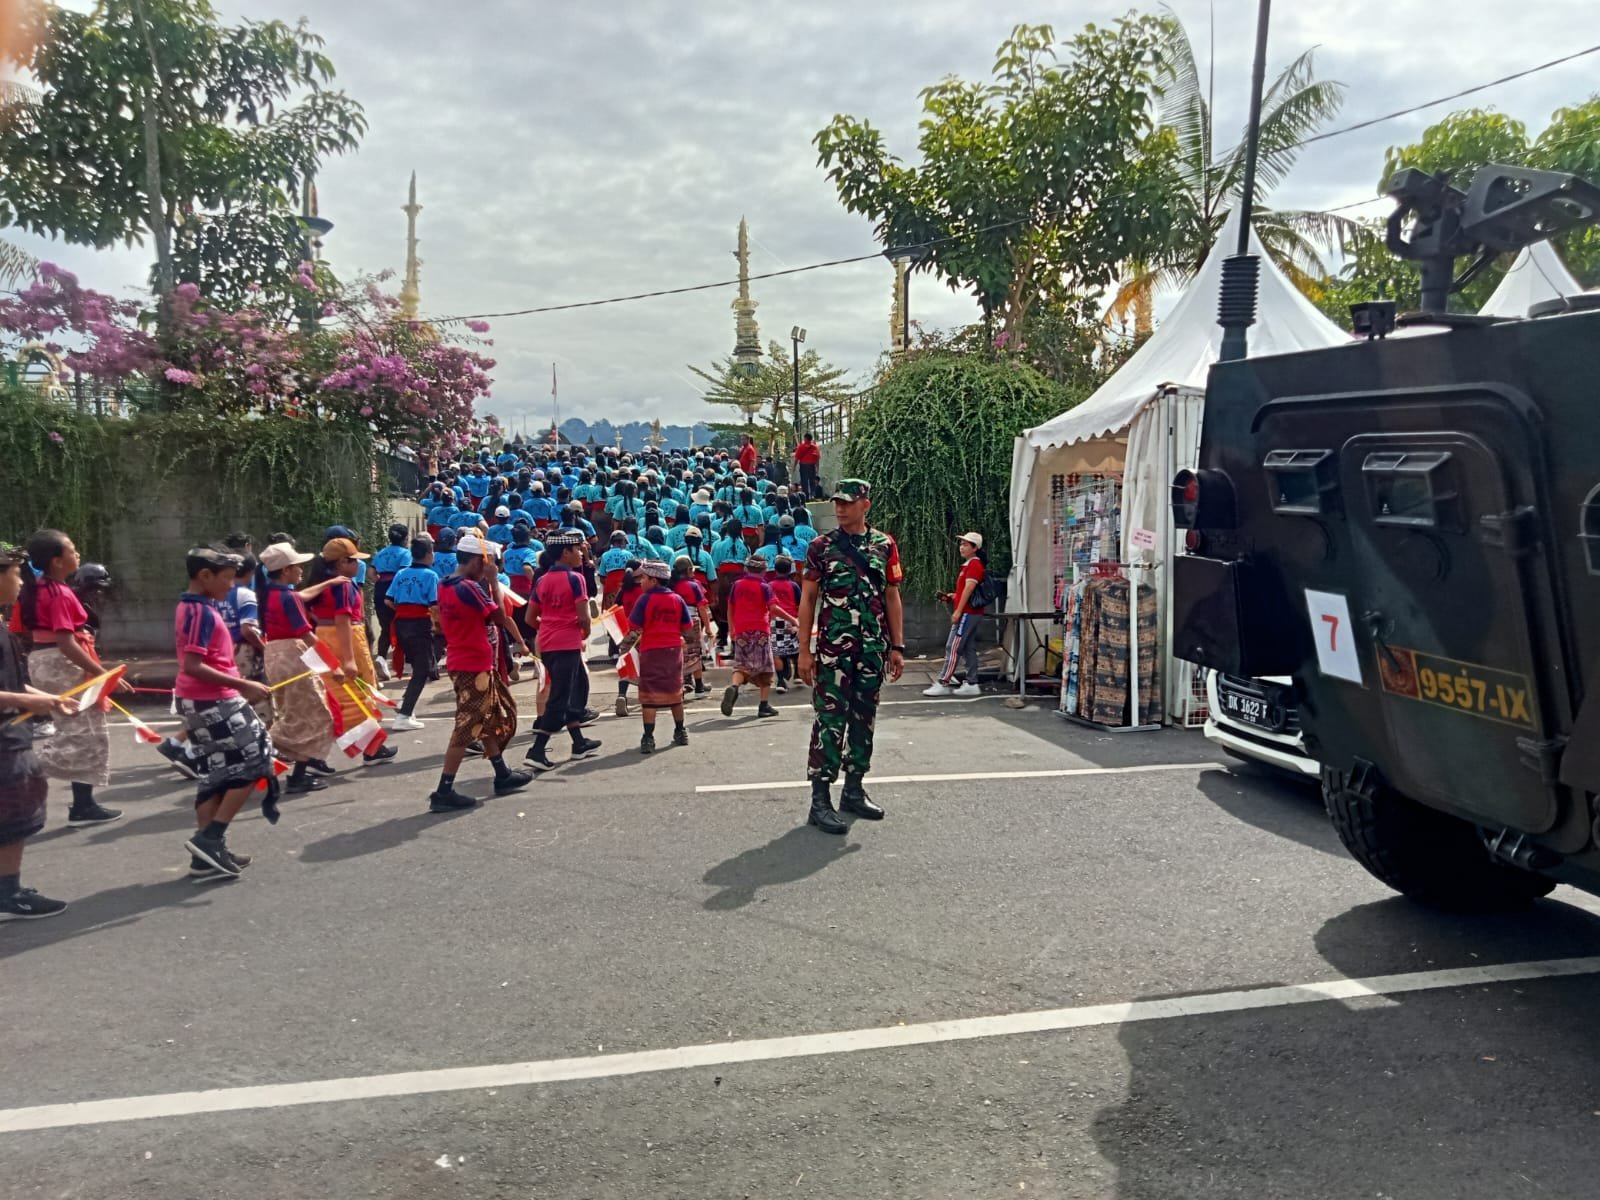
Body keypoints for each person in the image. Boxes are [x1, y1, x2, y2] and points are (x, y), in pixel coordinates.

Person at [798, 479, 905, 834]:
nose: (840, 508)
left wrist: (897, 646)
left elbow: (892, 596)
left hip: (872, 650)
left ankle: (854, 790)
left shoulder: (884, 545)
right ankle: (820, 800)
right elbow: (808, 600)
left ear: (865, 505)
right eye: (837, 502)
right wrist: (804, 651)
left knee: (864, 719)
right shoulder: (820, 547)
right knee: (829, 721)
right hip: (833, 652)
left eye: (847, 502)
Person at [175, 546, 277, 880]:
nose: (231, 586)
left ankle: (206, 855)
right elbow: (193, 665)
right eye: (227, 578)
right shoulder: (199, 612)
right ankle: (211, 837)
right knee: (257, 757)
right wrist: (242, 684)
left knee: (216, 770)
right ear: (205, 576)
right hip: (213, 700)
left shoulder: (197, 606)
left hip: (205, 699)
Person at [17, 530, 121, 826]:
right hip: (61, 663)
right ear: (57, 561)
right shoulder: (59, 593)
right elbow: (66, 641)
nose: (77, 554)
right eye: (72, 550)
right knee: (82, 734)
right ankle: (23, 770)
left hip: (43, 660)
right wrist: (102, 673)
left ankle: (83, 805)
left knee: (79, 731)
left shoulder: (37, 589)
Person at [0, 542, 79, 919]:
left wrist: (46, 698)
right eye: (15, 574)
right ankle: (8, 892)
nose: (20, 582)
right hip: (4, 739)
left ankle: (7, 888)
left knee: (16, 815)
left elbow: (11, 683)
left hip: (11, 735)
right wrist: (27, 701)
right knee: (13, 817)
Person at [429, 535, 533, 812]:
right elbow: (499, 616)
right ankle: (443, 790)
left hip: (463, 659)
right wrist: (494, 582)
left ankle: (502, 773)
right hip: (473, 663)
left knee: (487, 718)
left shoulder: (445, 583)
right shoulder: (470, 587)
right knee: (466, 727)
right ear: (478, 562)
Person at [306, 537, 397, 764]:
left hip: (323, 637)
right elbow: (343, 621)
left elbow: (310, 612)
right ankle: (370, 750)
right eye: (354, 560)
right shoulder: (343, 585)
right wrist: (349, 659)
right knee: (356, 696)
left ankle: (369, 748)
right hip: (346, 640)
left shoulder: (320, 583)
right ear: (341, 562)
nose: (358, 564)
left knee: (334, 698)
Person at [258, 542, 335, 794]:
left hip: (275, 655)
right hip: (293, 656)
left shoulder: (268, 594)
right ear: (286, 570)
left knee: (295, 714)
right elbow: (306, 635)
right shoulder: (289, 597)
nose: (301, 570)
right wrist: (333, 664)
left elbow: (302, 597)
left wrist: (328, 583)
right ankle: (270, 754)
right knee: (314, 714)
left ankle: (301, 768)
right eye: (297, 566)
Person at [523, 531, 603, 771]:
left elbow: (530, 618)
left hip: (548, 643)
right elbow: (584, 617)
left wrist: (550, 625)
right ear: (566, 552)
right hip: (567, 643)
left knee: (574, 690)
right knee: (560, 696)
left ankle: (578, 743)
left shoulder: (542, 580)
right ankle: (537, 750)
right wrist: (582, 633)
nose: (581, 553)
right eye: (577, 549)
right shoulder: (575, 578)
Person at [619, 560, 693, 753]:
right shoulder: (677, 599)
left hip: (651, 651)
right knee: (675, 692)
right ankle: (680, 731)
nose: (640, 582)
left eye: (643, 578)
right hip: (673, 651)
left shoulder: (644, 600)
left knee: (649, 695)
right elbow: (687, 627)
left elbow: (633, 625)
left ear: (654, 580)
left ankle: (648, 738)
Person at [720, 554, 787, 719]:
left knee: (741, 665)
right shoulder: (764, 587)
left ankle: (734, 686)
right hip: (760, 630)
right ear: (764, 570)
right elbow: (773, 608)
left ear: (746, 568)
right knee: (765, 669)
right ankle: (763, 705)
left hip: (741, 630)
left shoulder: (737, 585)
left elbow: (730, 607)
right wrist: (793, 619)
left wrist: (732, 629)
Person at [385, 538, 441, 730]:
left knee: (419, 665)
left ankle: (406, 701)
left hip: (401, 622)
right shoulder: (431, 575)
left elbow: (388, 600)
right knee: (422, 669)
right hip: (419, 623)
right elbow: (434, 605)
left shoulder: (401, 573)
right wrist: (438, 625)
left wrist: (404, 610)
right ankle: (404, 715)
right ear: (428, 554)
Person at [924, 532, 988, 697]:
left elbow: (969, 589)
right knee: (968, 647)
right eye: (961, 544)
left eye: (966, 544)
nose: (961, 547)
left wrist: (958, 611)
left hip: (967, 613)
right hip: (970, 612)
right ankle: (972, 683)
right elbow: (964, 591)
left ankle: (943, 682)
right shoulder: (969, 565)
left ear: (975, 548)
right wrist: (953, 596)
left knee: (953, 647)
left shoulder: (974, 565)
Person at [370, 523, 413, 679]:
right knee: (403, 626)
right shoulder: (406, 554)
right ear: (405, 538)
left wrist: (379, 581)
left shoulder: (380, 553)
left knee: (386, 628)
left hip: (380, 590)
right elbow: (403, 574)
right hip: (396, 591)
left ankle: (381, 658)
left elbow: (371, 572)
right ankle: (406, 663)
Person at [672, 555, 713, 697]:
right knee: (695, 653)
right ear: (688, 570)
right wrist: (708, 627)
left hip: (676, 621)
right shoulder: (694, 585)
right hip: (692, 620)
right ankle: (699, 687)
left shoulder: (671, 586)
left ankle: (683, 684)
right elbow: (702, 608)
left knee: (680, 653)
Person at [769, 555, 802, 693]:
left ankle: (781, 681)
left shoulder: (770, 586)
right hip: (791, 620)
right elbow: (800, 603)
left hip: (774, 621)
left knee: (777, 652)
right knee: (795, 648)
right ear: (790, 570)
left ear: (775, 569)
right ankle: (797, 674)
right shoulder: (794, 586)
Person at [793, 432, 822, 499]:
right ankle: (812, 495)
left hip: (803, 466)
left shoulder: (801, 446)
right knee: (812, 481)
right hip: (812, 466)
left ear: (805, 438)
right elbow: (817, 458)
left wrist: (794, 466)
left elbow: (797, 458)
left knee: (804, 481)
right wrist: (817, 468)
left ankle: (806, 496)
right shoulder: (815, 447)